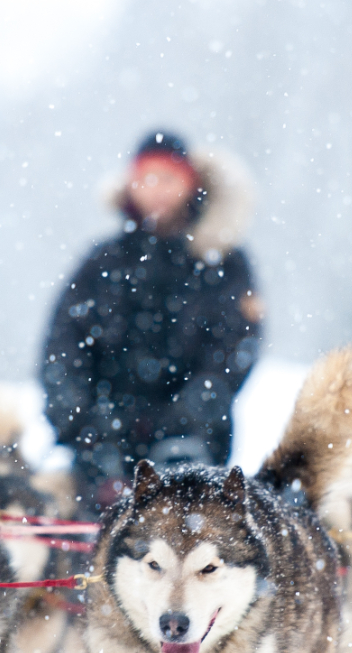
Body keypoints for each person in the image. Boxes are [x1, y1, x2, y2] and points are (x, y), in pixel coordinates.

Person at [39, 130, 265, 515]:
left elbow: (236, 347)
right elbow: (63, 348)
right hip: (103, 448)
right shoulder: (101, 262)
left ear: (191, 184)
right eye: (147, 178)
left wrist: (195, 410)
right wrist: (84, 423)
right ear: (130, 184)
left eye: (169, 178)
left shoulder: (225, 261)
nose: (157, 189)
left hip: (194, 444)